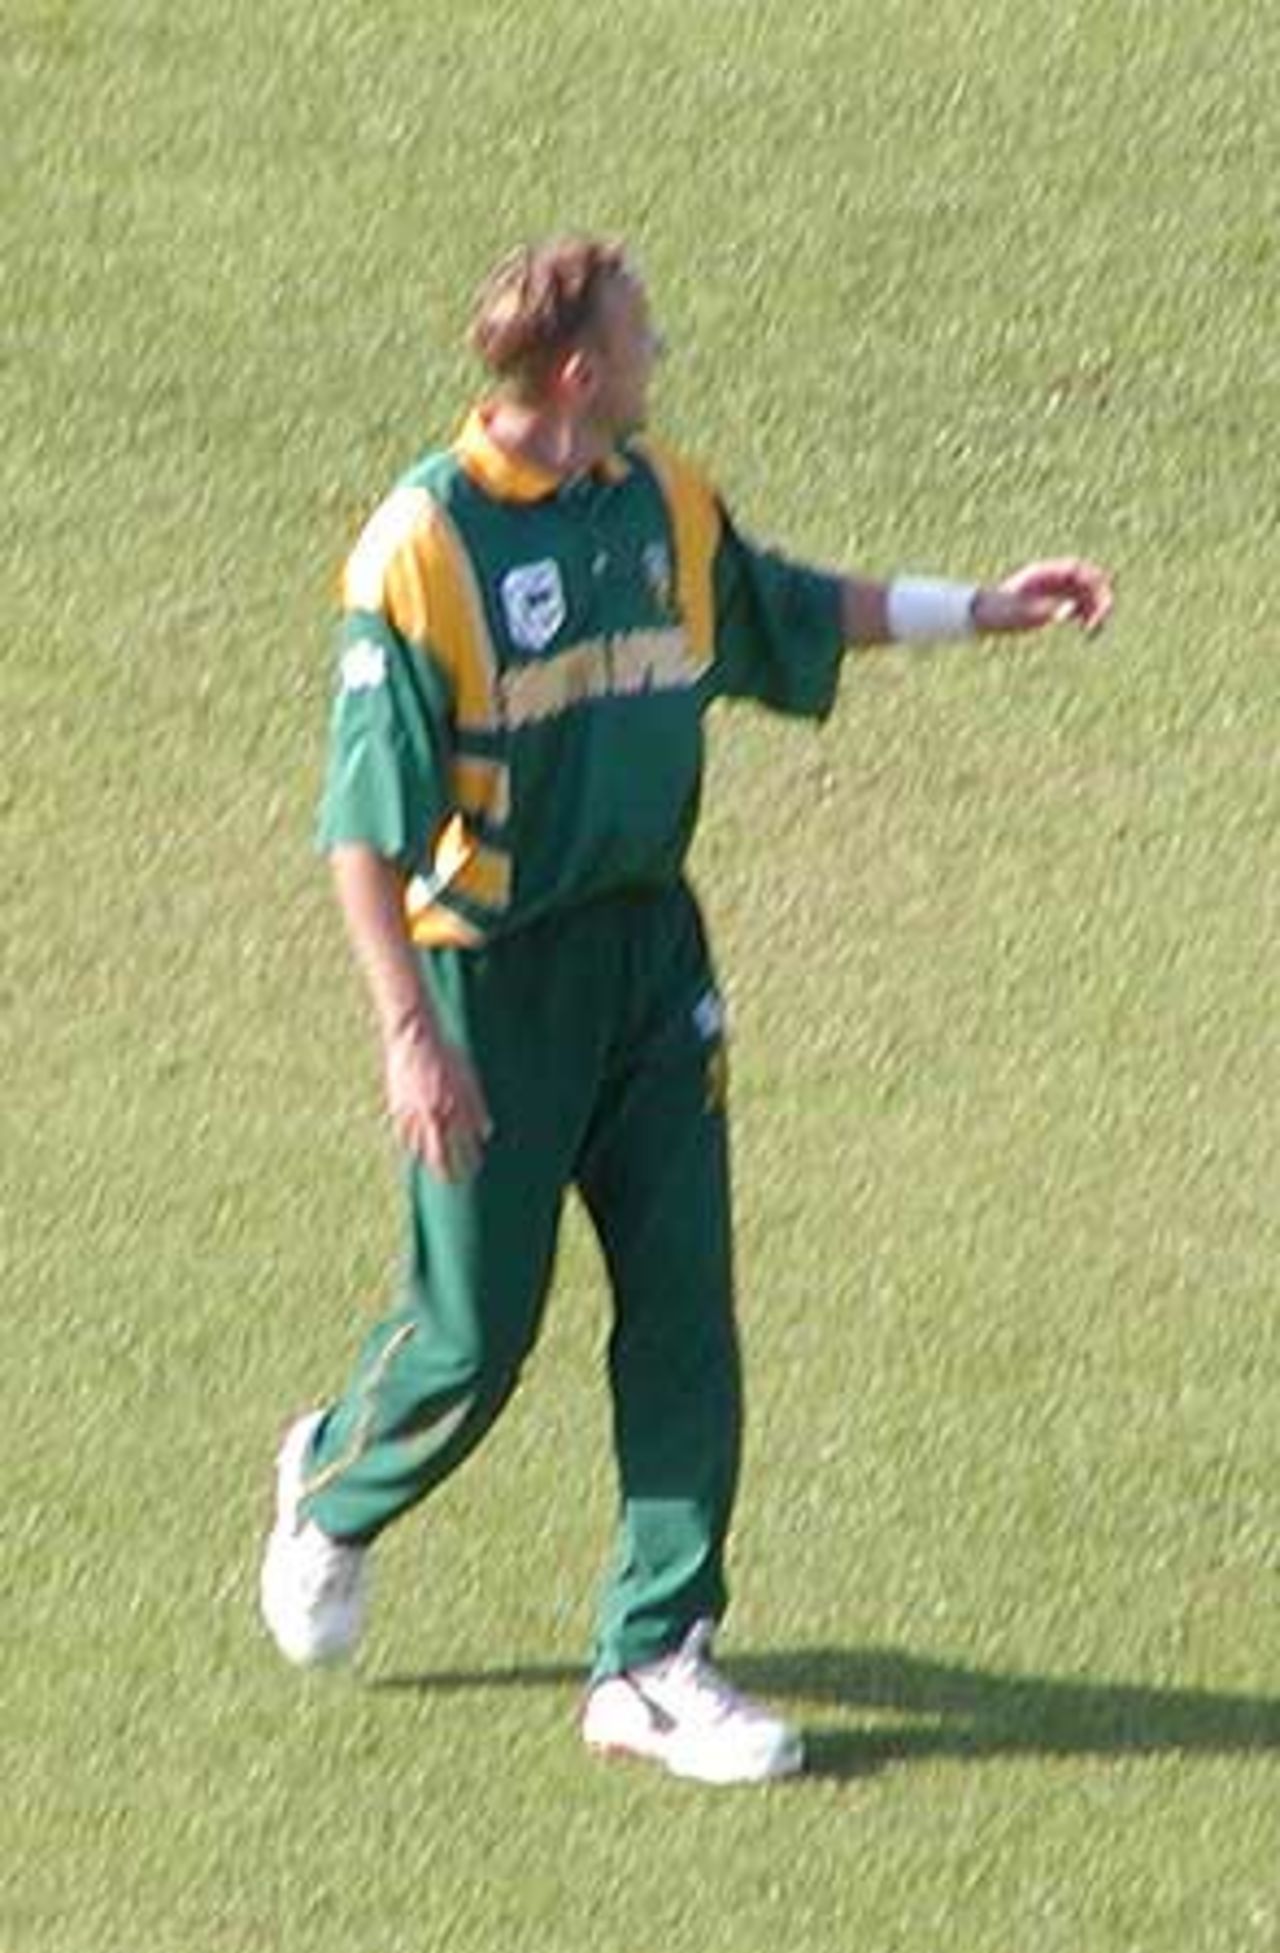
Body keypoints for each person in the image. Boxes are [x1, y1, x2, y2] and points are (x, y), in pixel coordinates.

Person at [260, 235, 1112, 1785]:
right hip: (489, 982)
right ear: (577, 367)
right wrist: (409, 1032)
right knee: (472, 1338)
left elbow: (785, 603)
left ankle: (655, 1656)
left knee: (683, 1310)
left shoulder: (658, 499)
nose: (663, 347)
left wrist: (988, 608)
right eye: (642, 329)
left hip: (654, 962)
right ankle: (332, 1487)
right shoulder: (422, 545)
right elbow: (358, 833)